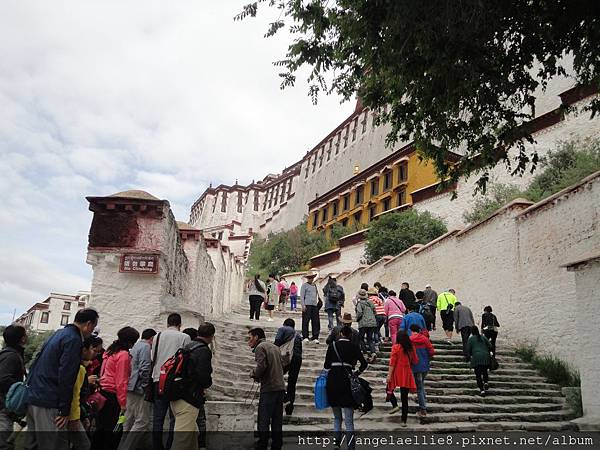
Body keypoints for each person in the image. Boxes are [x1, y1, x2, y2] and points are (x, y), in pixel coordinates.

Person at [26, 308, 99, 450]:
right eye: (93, 328)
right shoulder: (74, 339)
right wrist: (65, 410)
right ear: (88, 324)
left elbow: (36, 362)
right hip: (48, 400)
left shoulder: (59, 333)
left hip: (34, 396)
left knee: (33, 445)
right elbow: (67, 376)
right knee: (51, 445)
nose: (92, 332)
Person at [92, 326, 139, 450]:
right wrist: (123, 403)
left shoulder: (110, 351)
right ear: (130, 341)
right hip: (113, 396)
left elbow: (103, 372)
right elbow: (121, 381)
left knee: (100, 430)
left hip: (102, 393)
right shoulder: (123, 355)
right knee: (113, 432)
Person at [170, 323, 215, 450]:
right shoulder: (203, 350)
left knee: (192, 438)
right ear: (211, 336)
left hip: (178, 396)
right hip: (189, 400)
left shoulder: (187, 346)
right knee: (182, 441)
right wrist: (207, 384)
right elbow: (204, 377)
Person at [151, 313, 191, 450]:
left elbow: (153, 357)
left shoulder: (158, 336)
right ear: (180, 325)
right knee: (175, 416)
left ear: (168, 323)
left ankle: (157, 446)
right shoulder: (185, 337)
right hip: (175, 381)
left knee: (158, 418)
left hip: (158, 379)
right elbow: (187, 360)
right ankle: (170, 446)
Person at [324, 325, 368, 450]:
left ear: (340, 334)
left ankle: (336, 444)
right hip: (347, 382)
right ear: (350, 335)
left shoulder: (332, 346)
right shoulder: (354, 347)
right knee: (349, 419)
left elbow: (326, 365)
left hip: (333, 381)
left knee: (337, 417)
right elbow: (364, 364)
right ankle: (350, 446)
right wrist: (356, 373)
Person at [117, 328, 156, 450]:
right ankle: (127, 447)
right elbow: (145, 368)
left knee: (128, 420)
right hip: (138, 388)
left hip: (130, 386)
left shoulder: (135, 347)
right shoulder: (145, 347)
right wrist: (145, 386)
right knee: (142, 421)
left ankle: (121, 445)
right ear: (151, 339)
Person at [248, 328, 285, 450]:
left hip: (269, 388)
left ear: (257, 337)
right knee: (277, 419)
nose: (249, 341)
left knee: (263, 418)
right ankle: (277, 445)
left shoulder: (260, 347)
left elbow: (262, 366)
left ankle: (262, 445)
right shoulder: (275, 347)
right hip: (280, 387)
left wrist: (254, 374)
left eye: (250, 338)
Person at [69, 336, 101, 450]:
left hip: (74, 412)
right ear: (84, 350)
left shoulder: (73, 366)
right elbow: (75, 395)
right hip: (72, 414)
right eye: (94, 350)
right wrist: (77, 417)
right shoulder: (79, 369)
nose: (95, 354)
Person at [0, 325, 26, 450]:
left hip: (5, 406)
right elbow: (3, 378)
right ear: (22, 339)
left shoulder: (9, 354)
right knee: (4, 444)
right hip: (3, 406)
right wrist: (18, 391)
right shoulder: (11, 356)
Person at [386, 331, 418, 426]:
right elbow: (415, 361)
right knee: (404, 398)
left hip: (397, 372)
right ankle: (404, 421)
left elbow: (392, 363)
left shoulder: (396, 347)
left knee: (388, 389)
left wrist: (389, 375)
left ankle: (395, 405)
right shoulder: (411, 348)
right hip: (407, 373)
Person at [274, 319, 303, 416]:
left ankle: (285, 398)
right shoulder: (298, 335)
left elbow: (277, 343)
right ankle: (289, 409)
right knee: (292, 383)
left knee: (276, 377)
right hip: (297, 359)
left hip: (286, 357)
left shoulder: (283, 329)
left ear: (285, 324)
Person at [408, 324, 434, 417]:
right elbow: (431, 351)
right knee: (421, 384)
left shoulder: (410, 340)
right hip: (425, 365)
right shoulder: (424, 339)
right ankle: (424, 403)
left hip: (415, 366)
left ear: (411, 330)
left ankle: (423, 409)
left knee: (419, 387)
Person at [466, 326, 493, 396]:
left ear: (472, 332)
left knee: (478, 375)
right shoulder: (483, 337)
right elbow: (490, 345)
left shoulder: (471, 339)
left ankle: (482, 390)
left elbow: (468, 349)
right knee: (484, 371)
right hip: (485, 356)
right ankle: (486, 382)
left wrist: (469, 357)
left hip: (476, 358)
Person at [355, 289, 377, 361]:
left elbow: (359, 313)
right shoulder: (370, 302)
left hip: (363, 323)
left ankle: (365, 353)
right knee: (370, 339)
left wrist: (357, 319)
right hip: (372, 322)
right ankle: (373, 352)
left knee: (361, 338)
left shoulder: (359, 303)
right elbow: (374, 310)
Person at [300, 273, 321, 343]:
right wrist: (303, 305)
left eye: (311, 278)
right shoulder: (304, 286)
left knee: (315, 321)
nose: (311, 279)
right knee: (305, 321)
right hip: (307, 305)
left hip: (314, 306)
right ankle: (305, 336)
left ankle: (315, 336)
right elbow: (302, 296)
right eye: (309, 278)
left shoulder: (315, 285)